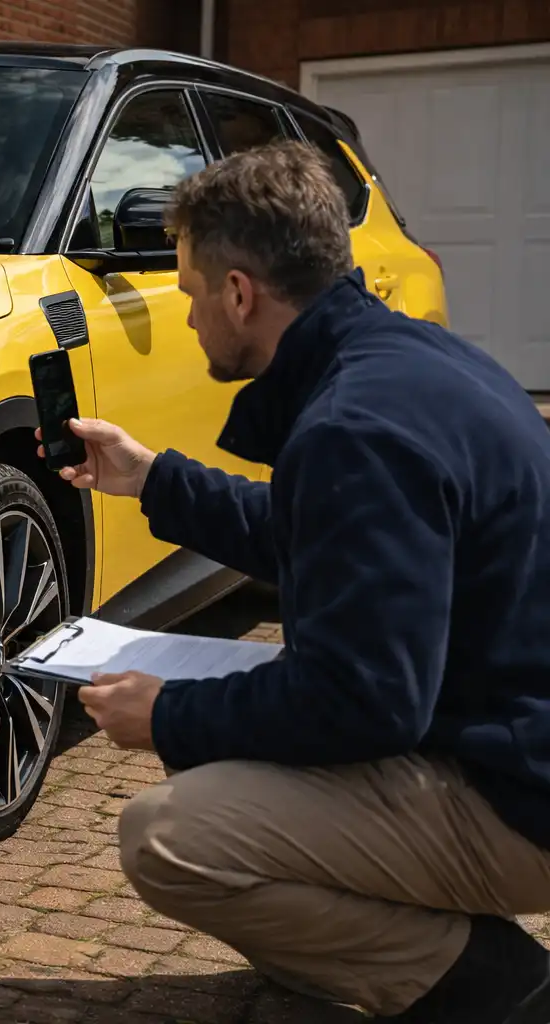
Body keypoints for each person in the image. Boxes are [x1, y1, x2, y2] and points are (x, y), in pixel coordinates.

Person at [38, 141, 550, 1023]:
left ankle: (494, 986)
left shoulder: (355, 428)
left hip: (518, 791)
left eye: (194, 293)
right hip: (516, 737)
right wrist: (154, 477)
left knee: (171, 836)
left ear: (241, 294)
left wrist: (166, 713)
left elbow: (364, 704)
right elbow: (332, 542)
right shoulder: (413, 365)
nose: (191, 317)